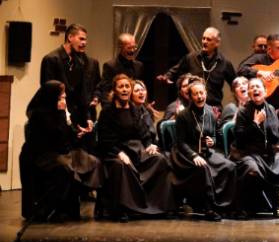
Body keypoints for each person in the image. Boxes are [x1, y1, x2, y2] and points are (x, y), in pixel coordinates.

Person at [19, 81, 103, 221]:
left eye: (64, 97)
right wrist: (63, 117)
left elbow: (68, 139)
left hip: (61, 153)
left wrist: (77, 132)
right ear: (52, 98)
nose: (64, 100)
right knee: (66, 168)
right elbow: (53, 140)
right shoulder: (39, 115)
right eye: (61, 97)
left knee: (94, 162)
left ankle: (77, 199)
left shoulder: (59, 113)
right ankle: (50, 209)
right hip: (42, 156)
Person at [97, 74, 175, 221]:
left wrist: (149, 145)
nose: (125, 89)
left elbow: (143, 132)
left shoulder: (134, 109)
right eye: (121, 87)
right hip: (114, 151)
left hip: (135, 150)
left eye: (127, 86)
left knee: (159, 159)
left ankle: (156, 206)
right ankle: (123, 208)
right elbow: (105, 140)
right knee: (121, 165)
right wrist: (119, 153)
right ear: (115, 90)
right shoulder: (107, 112)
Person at [231, 78, 279, 216]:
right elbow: (240, 137)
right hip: (248, 153)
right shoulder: (243, 111)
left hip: (268, 154)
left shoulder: (270, 109)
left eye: (258, 87)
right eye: (252, 87)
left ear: (265, 90)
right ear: (249, 93)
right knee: (252, 170)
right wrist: (255, 123)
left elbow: (274, 132)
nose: (255, 89)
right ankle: (249, 207)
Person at [171, 79, 238, 221]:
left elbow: (213, 135)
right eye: (195, 94)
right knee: (203, 167)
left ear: (206, 93)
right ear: (190, 96)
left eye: (201, 93)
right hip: (186, 154)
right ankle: (209, 208)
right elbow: (180, 143)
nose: (199, 96)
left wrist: (212, 141)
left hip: (205, 151)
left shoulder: (210, 112)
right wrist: (193, 155)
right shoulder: (183, 115)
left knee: (230, 166)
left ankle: (226, 206)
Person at [40, 23, 100, 142]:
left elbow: (81, 93)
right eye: (81, 39)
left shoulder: (79, 62)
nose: (84, 43)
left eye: (85, 40)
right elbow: (48, 94)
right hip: (58, 119)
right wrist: (66, 121)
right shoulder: (51, 59)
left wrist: (87, 118)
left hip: (77, 119)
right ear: (70, 37)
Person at [158, 27, 236, 111]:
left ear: (217, 43)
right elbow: (176, 69)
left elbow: (235, 83)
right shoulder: (191, 58)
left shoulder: (225, 63)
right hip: (192, 106)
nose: (204, 42)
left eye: (209, 40)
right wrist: (167, 76)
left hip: (214, 108)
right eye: (203, 38)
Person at [237, 33, 279, 132]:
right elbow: (241, 69)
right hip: (260, 107)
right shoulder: (259, 58)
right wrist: (260, 72)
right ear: (269, 49)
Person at [98, 33, 144, 101]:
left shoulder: (139, 65)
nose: (132, 50)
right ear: (120, 47)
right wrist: (107, 106)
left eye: (134, 47)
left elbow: (141, 86)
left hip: (134, 104)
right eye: (129, 48)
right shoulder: (110, 66)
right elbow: (105, 90)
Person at [131, 79, 159, 144]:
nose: (141, 92)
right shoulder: (129, 112)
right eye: (137, 90)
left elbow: (152, 134)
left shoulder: (147, 111)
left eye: (143, 90)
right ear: (131, 94)